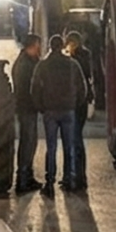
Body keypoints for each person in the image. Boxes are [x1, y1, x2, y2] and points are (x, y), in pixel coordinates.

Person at [31, 34, 90, 194]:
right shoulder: (72, 64)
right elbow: (82, 88)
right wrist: (74, 104)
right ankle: (70, 180)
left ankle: (49, 183)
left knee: (51, 147)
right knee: (69, 147)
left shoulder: (42, 66)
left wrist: (41, 106)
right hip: (68, 110)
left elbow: (34, 88)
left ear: (50, 46)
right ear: (62, 46)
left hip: (50, 111)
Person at [9, 35, 44, 194]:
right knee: (27, 143)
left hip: (30, 108)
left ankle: (28, 177)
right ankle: (22, 180)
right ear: (33, 45)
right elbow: (28, 87)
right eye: (38, 45)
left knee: (31, 143)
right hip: (26, 108)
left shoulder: (29, 61)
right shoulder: (24, 64)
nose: (39, 48)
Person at [62, 29, 100, 145]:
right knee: (73, 131)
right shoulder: (66, 55)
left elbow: (87, 72)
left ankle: (78, 159)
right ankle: (76, 158)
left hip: (80, 96)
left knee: (76, 130)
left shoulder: (84, 55)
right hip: (70, 97)